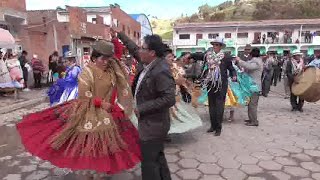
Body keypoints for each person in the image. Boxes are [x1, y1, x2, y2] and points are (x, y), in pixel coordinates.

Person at [17, 40, 141, 179]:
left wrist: (115, 39)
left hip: (108, 110)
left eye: (108, 58)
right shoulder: (87, 72)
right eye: (103, 59)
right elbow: (85, 94)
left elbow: (118, 61)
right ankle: (90, 171)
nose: (106, 62)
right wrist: (100, 103)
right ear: (94, 58)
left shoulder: (112, 71)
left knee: (108, 143)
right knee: (88, 142)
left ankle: (102, 169)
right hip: (88, 108)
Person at [132, 35, 175, 180]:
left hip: (154, 125)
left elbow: (169, 99)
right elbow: (133, 49)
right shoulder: (149, 63)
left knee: (149, 164)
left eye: (142, 48)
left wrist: (142, 108)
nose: (139, 51)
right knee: (158, 158)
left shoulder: (160, 70)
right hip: (151, 123)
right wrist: (119, 35)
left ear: (152, 52)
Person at [200, 37, 236, 136]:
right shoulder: (208, 56)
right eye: (214, 45)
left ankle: (218, 128)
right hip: (210, 83)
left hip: (221, 84)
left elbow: (231, 68)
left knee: (219, 106)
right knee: (211, 105)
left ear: (221, 46)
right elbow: (204, 67)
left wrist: (234, 75)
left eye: (217, 45)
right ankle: (213, 126)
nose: (215, 46)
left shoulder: (226, 56)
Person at [236, 48, 263, 126]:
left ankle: (254, 121)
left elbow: (248, 66)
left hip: (255, 86)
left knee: (252, 105)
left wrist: (239, 60)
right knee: (250, 104)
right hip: (251, 86)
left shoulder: (256, 62)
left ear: (252, 54)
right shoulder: (256, 61)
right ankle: (251, 119)